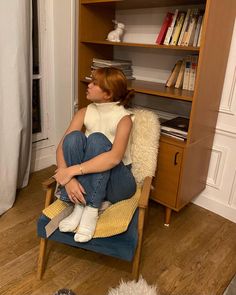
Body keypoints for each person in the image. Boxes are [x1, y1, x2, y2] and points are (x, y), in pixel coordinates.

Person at [53, 67, 137, 243]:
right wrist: (67, 177)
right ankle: (79, 206)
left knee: (97, 140)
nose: (88, 85)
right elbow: (62, 147)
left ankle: (91, 210)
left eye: (94, 83)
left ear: (108, 94)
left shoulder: (124, 118)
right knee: (73, 138)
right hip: (91, 178)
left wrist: (71, 171)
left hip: (118, 184)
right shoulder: (84, 111)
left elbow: (114, 158)